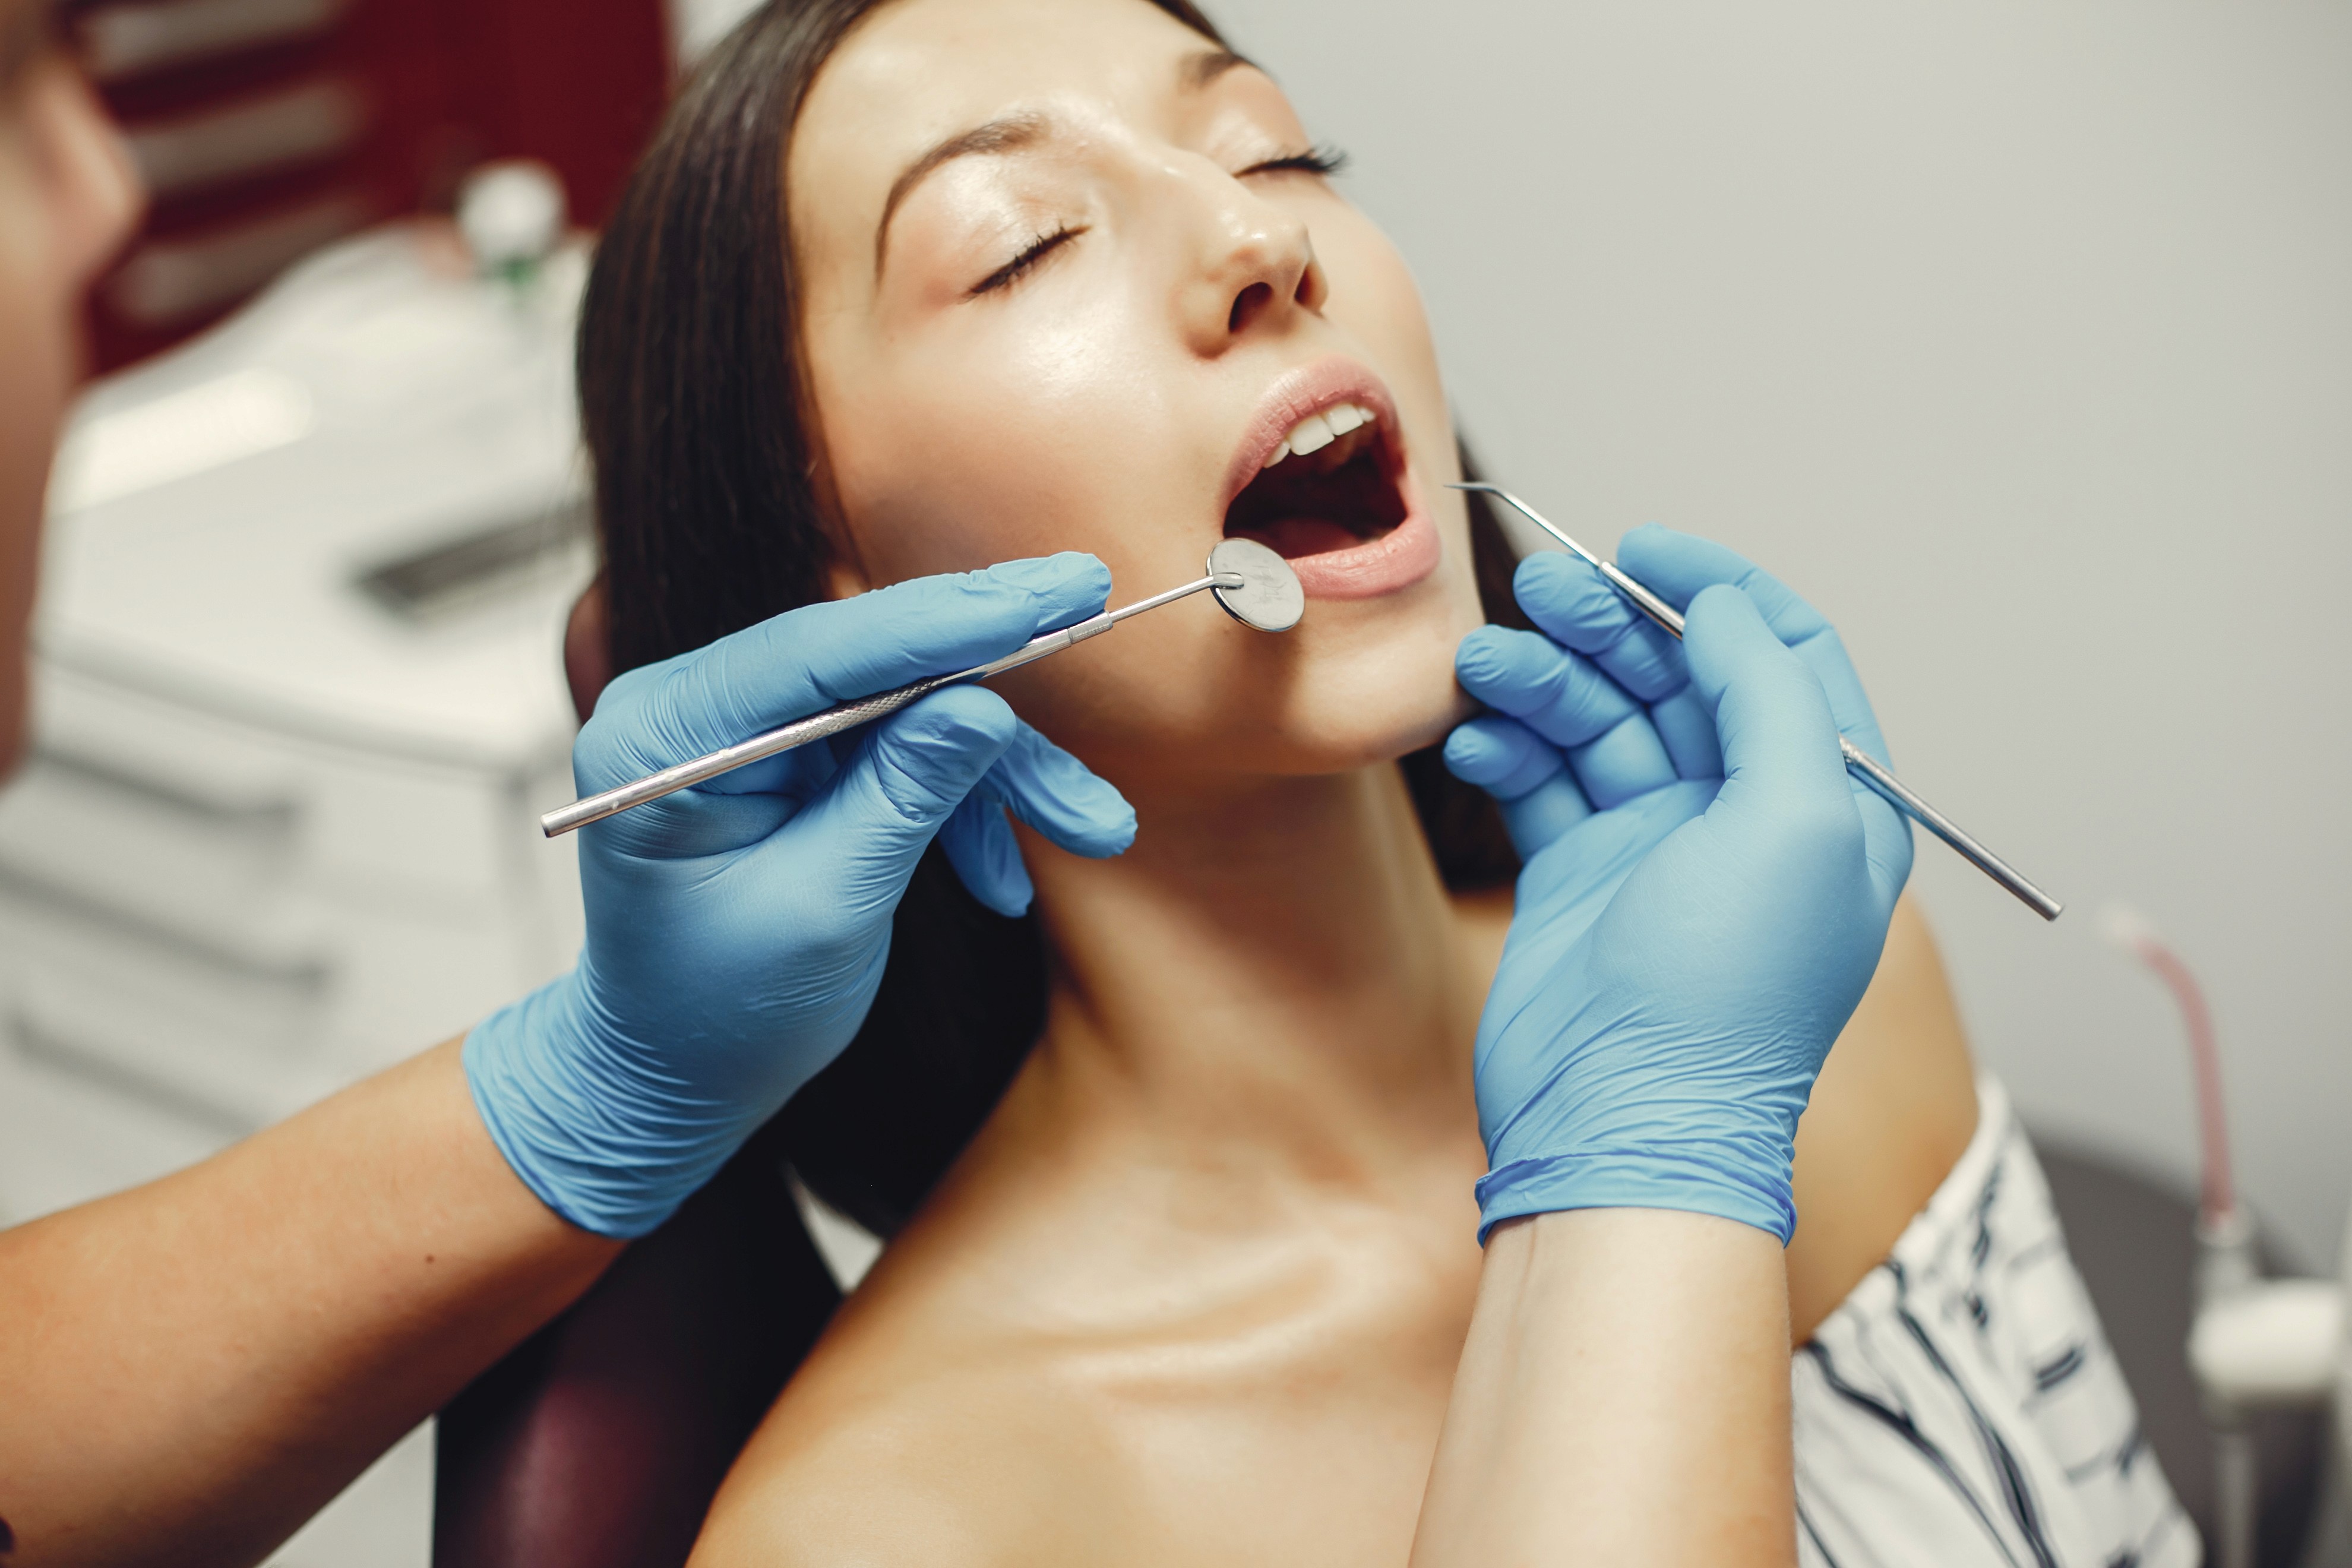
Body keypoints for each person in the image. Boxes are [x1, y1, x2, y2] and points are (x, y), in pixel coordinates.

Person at [0, 7, 2167, 1568]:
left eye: (1278, 147)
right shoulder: (922, 1522)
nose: (1263, 245)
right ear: (825, 581)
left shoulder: (1813, 973)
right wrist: (1650, 1173)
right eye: (1024, 245)